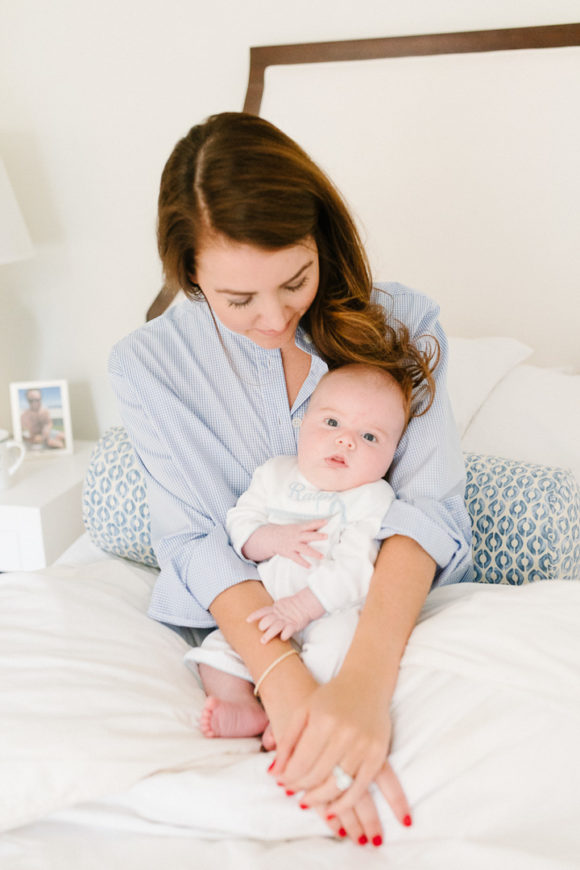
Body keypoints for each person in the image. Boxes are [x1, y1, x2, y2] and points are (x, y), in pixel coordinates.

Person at [109, 112, 473, 847]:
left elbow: (426, 513)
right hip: (247, 626)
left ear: (321, 241)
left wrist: (363, 688)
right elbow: (195, 539)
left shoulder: (400, 321)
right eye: (237, 300)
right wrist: (288, 687)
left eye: (295, 281)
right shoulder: (149, 367)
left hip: (365, 608)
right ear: (187, 276)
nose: (273, 317)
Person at [186, 364, 412, 740]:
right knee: (217, 650)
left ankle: (295, 713)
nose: (347, 441)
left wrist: (305, 605)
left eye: (370, 436)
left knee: (340, 646)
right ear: (302, 424)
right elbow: (239, 524)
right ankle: (241, 704)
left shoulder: (373, 497)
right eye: (332, 423)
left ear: (392, 454)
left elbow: (358, 567)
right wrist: (270, 539)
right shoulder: (275, 474)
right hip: (264, 603)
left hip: (326, 611)